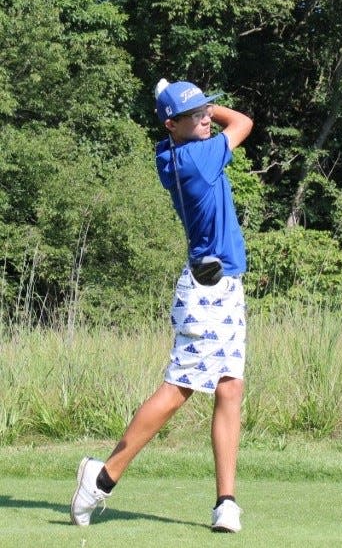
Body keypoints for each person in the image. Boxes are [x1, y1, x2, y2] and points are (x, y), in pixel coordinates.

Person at [70, 78, 253, 533]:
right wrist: (208, 105)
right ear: (172, 124)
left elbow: (206, 122)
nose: (208, 118)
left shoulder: (170, 151)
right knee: (179, 390)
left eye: (206, 111)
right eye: (197, 116)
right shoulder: (198, 158)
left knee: (230, 386)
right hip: (207, 292)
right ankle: (102, 477)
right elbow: (244, 122)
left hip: (223, 285)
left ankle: (225, 503)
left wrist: (190, 105)